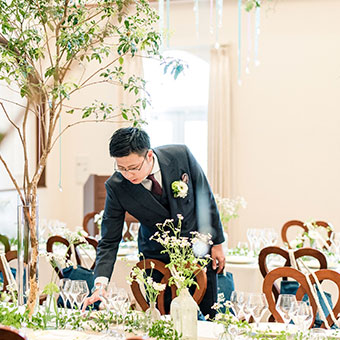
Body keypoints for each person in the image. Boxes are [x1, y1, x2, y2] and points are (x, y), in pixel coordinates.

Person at [83, 127, 225, 316]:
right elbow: (109, 240)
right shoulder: (117, 186)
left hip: (198, 251)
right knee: (164, 320)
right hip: (156, 259)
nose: (128, 174)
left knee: (207, 317)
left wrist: (217, 242)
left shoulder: (180, 155)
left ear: (149, 155)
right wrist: (100, 284)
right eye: (121, 168)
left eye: (133, 167)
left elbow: (204, 197)